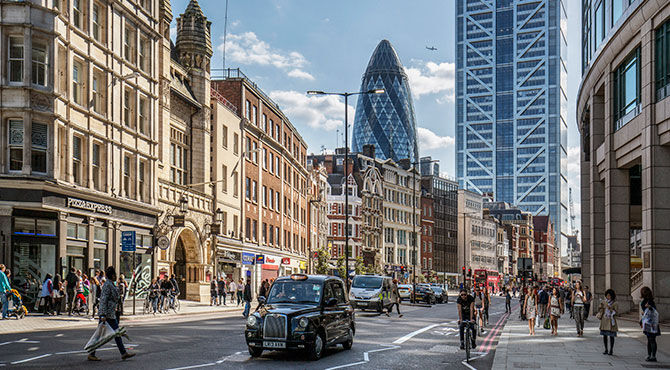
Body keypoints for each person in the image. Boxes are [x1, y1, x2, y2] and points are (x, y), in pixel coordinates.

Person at [88, 266, 135, 361]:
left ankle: (123, 353)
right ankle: (122, 353)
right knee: (109, 334)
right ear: (112, 275)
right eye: (115, 274)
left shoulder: (111, 284)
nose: (116, 276)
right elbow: (103, 300)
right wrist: (102, 314)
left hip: (111, 313)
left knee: (114, 333)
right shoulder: (107, 285)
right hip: (107, 314)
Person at [640, 286, 660, 362]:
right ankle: (649, 355)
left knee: (652, 339)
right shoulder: (645, 301)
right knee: (649, 339)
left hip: (652, 323)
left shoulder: (650, 301)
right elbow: (645, 312)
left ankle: (653, 356)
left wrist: (649, 307)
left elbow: (654, 311)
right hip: (648, 323)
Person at [597, 289, 618, 355]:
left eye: (609, 296)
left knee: (611, 336)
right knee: (604, 335)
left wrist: (610, 308)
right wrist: (601, 306)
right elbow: (600, 309)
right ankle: (606, 349)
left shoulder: (615, 303)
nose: (608, 297)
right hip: (604, 319)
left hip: (611, 321)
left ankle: (611, 349)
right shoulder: (604, 302)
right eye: (607, 296)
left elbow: (616, 312)